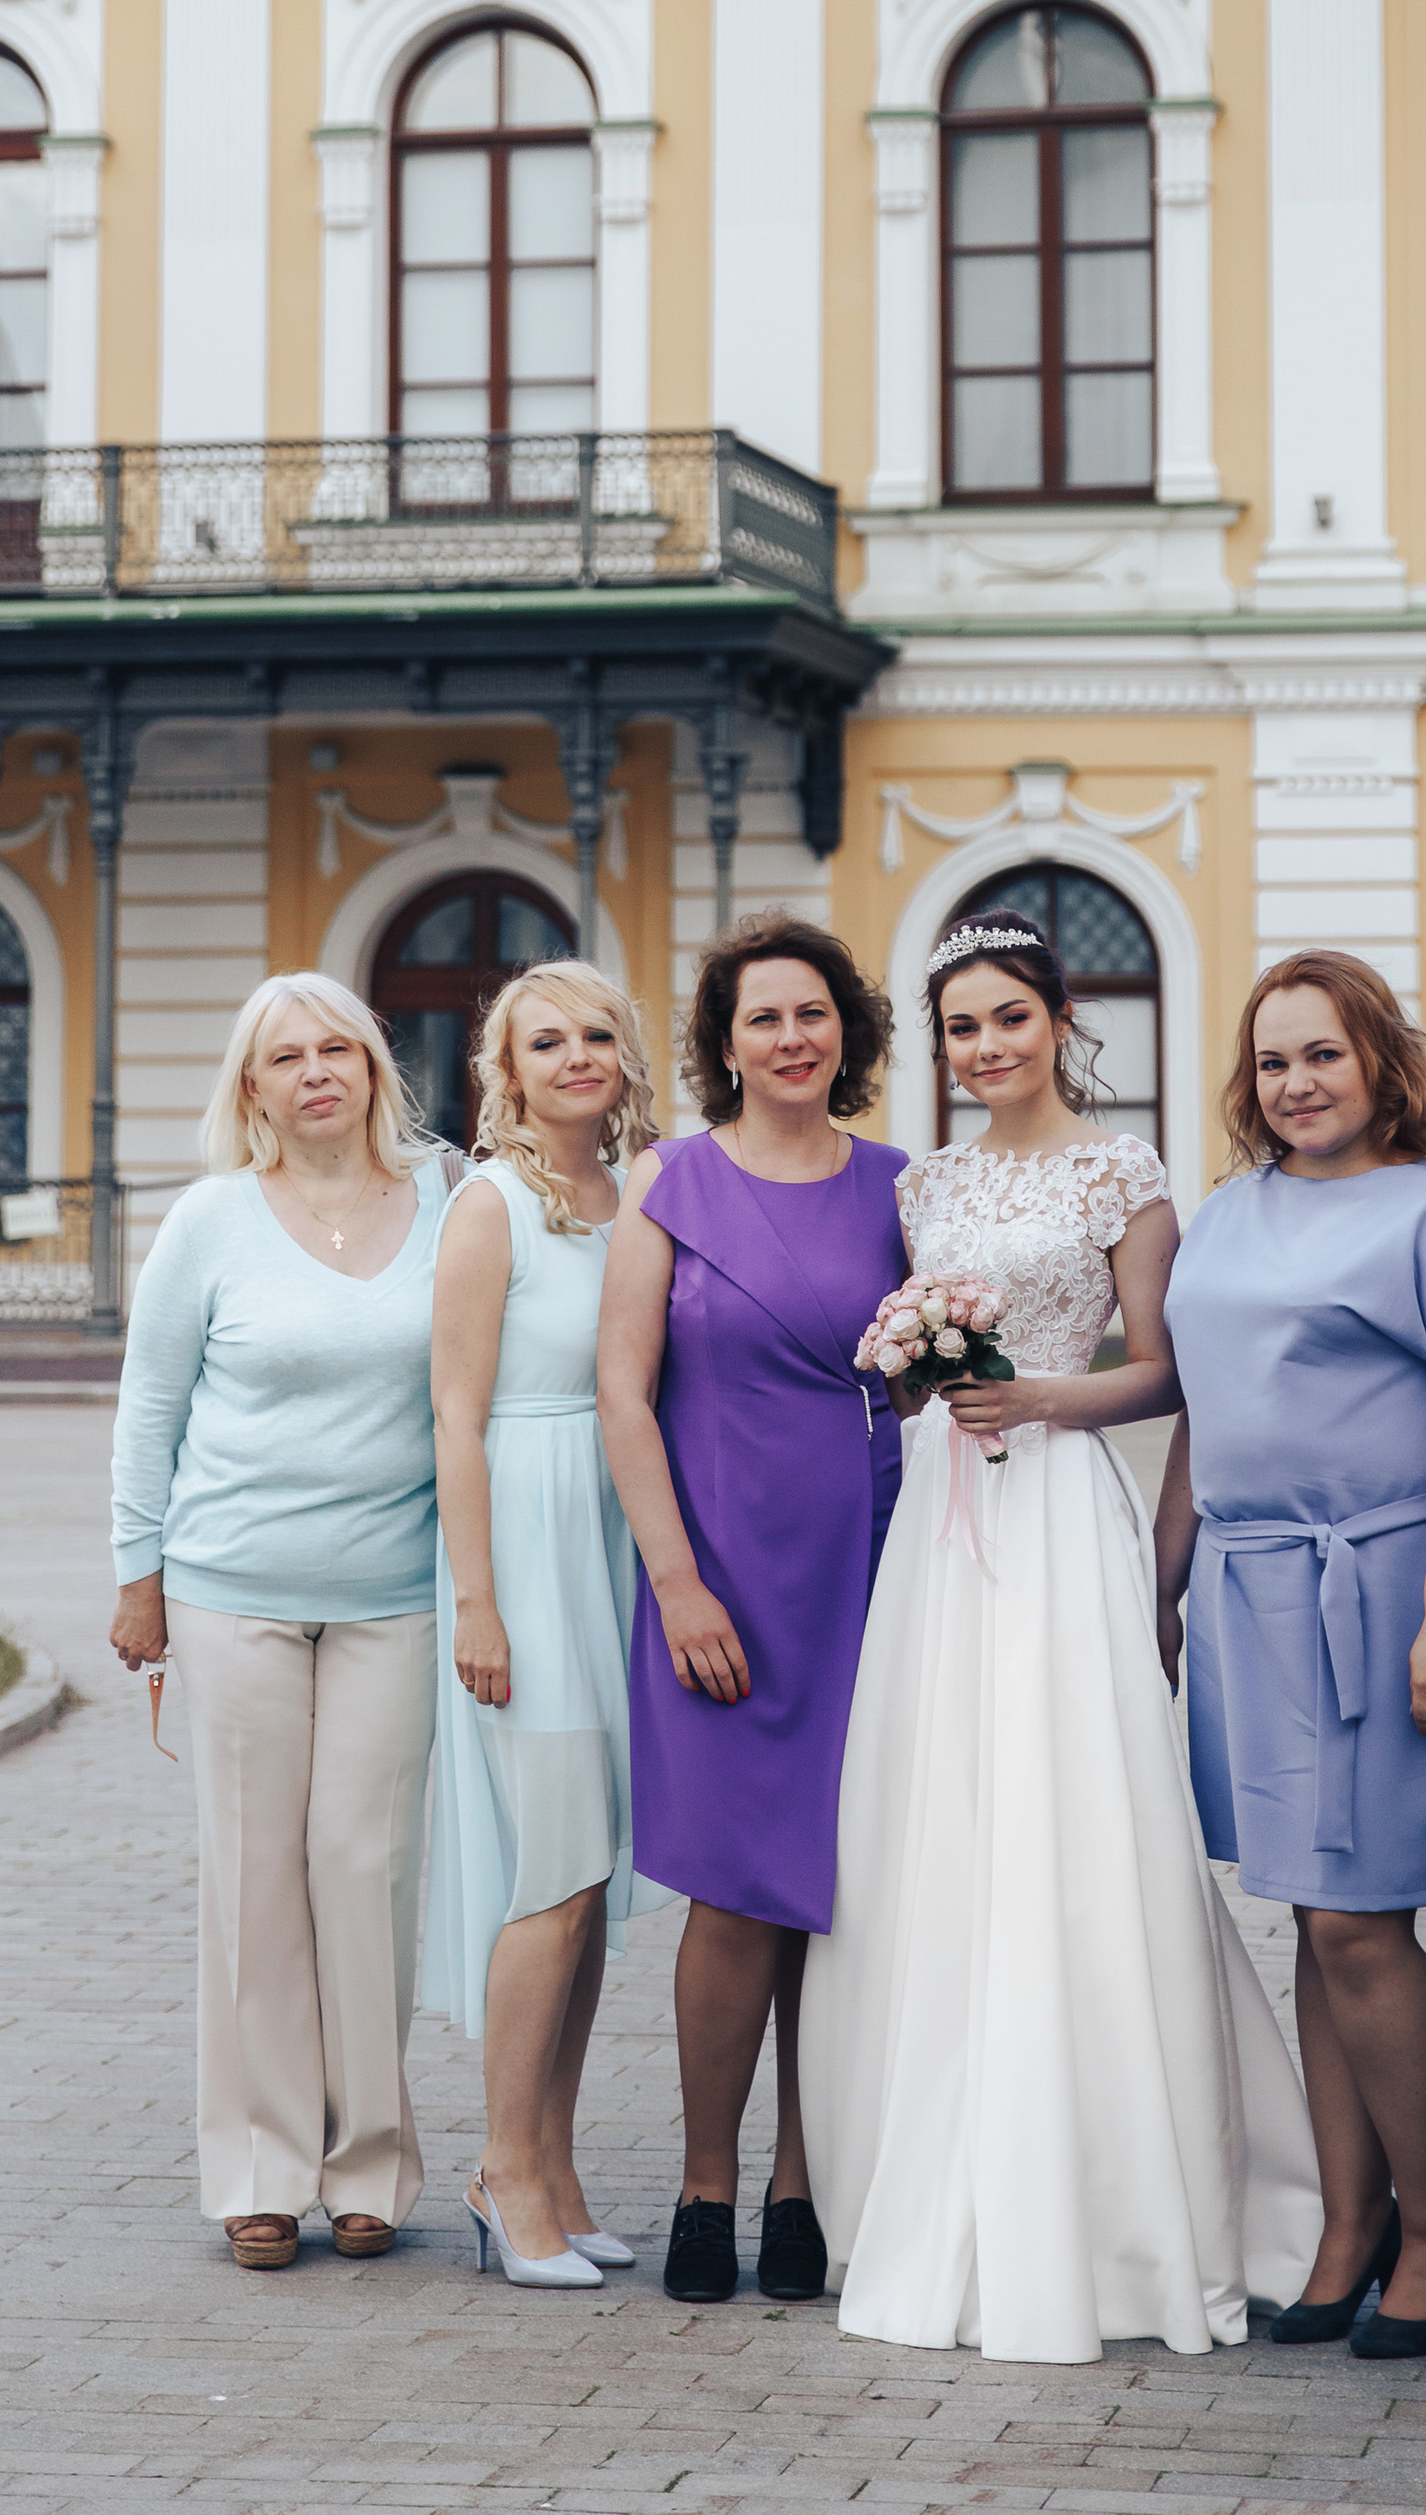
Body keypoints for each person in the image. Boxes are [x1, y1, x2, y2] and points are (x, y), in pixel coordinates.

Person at [798, 920, 1324, 2360]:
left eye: (1009, 1019)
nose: (986, 1049)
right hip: (944, 1529)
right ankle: (934, 2166)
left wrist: (1041, 1400)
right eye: (962, 1027)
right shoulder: (931, 1183)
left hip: (1060, 1520)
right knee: (944, 1815)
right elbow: (912, 1374)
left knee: (1077, 1818)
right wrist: (917, 1373)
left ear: (1057, 1021)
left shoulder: (1124, 1170)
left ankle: (1128, 2199)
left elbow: (1168, 1371)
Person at [1155, 951, 1426, 2360]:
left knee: (1359, 1922)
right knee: (1310, 1918)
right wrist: (1164, 1579)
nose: (1296, 1083)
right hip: (1251, 1589)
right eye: (1272, 1061)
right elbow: (1202, 1412)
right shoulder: (1227, 1213)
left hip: (1383, 1586)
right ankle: (1347, 2218)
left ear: (1383, 1066)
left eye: (1322, 1054)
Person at [108, 971, 458, 2271]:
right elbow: (152, 1405)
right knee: (255, 1878)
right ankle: (257, 2169)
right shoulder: (209, 1220)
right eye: (285, 1056)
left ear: (375, 1067)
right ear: (250, 1089)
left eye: (338, 1049)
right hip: (229, 1588)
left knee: (365, 1873)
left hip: (395, 1594)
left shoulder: (448, 1197)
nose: (316, 1071)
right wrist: (135, 1572)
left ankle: (367, 2162)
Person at [595, 913, 906, 2307]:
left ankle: (806, 2184)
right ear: (726, 1047)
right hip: (718, 1574)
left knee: (839, 1895)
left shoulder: (906, 1188)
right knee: (732, 1893)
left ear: (849, 1034)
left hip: (871, 1569)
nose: (793, 1037)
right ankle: (705, 2185)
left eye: (814, 1014)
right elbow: (623, 1394)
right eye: (764, 1018)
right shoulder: (669, 1183)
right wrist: (676, 1582)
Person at [421, 961, 666, 2290]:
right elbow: (455, 1413)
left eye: (596, 1037)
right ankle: (500, 2171)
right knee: (553, 1872)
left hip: (610, 1540)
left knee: (593, 1877)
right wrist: (478, 1601)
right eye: (545, 1042)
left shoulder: (628, 1198)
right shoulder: (491, 1204)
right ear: (504, 1073)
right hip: (522, 1534)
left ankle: (557, 2170)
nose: (577, 1057)